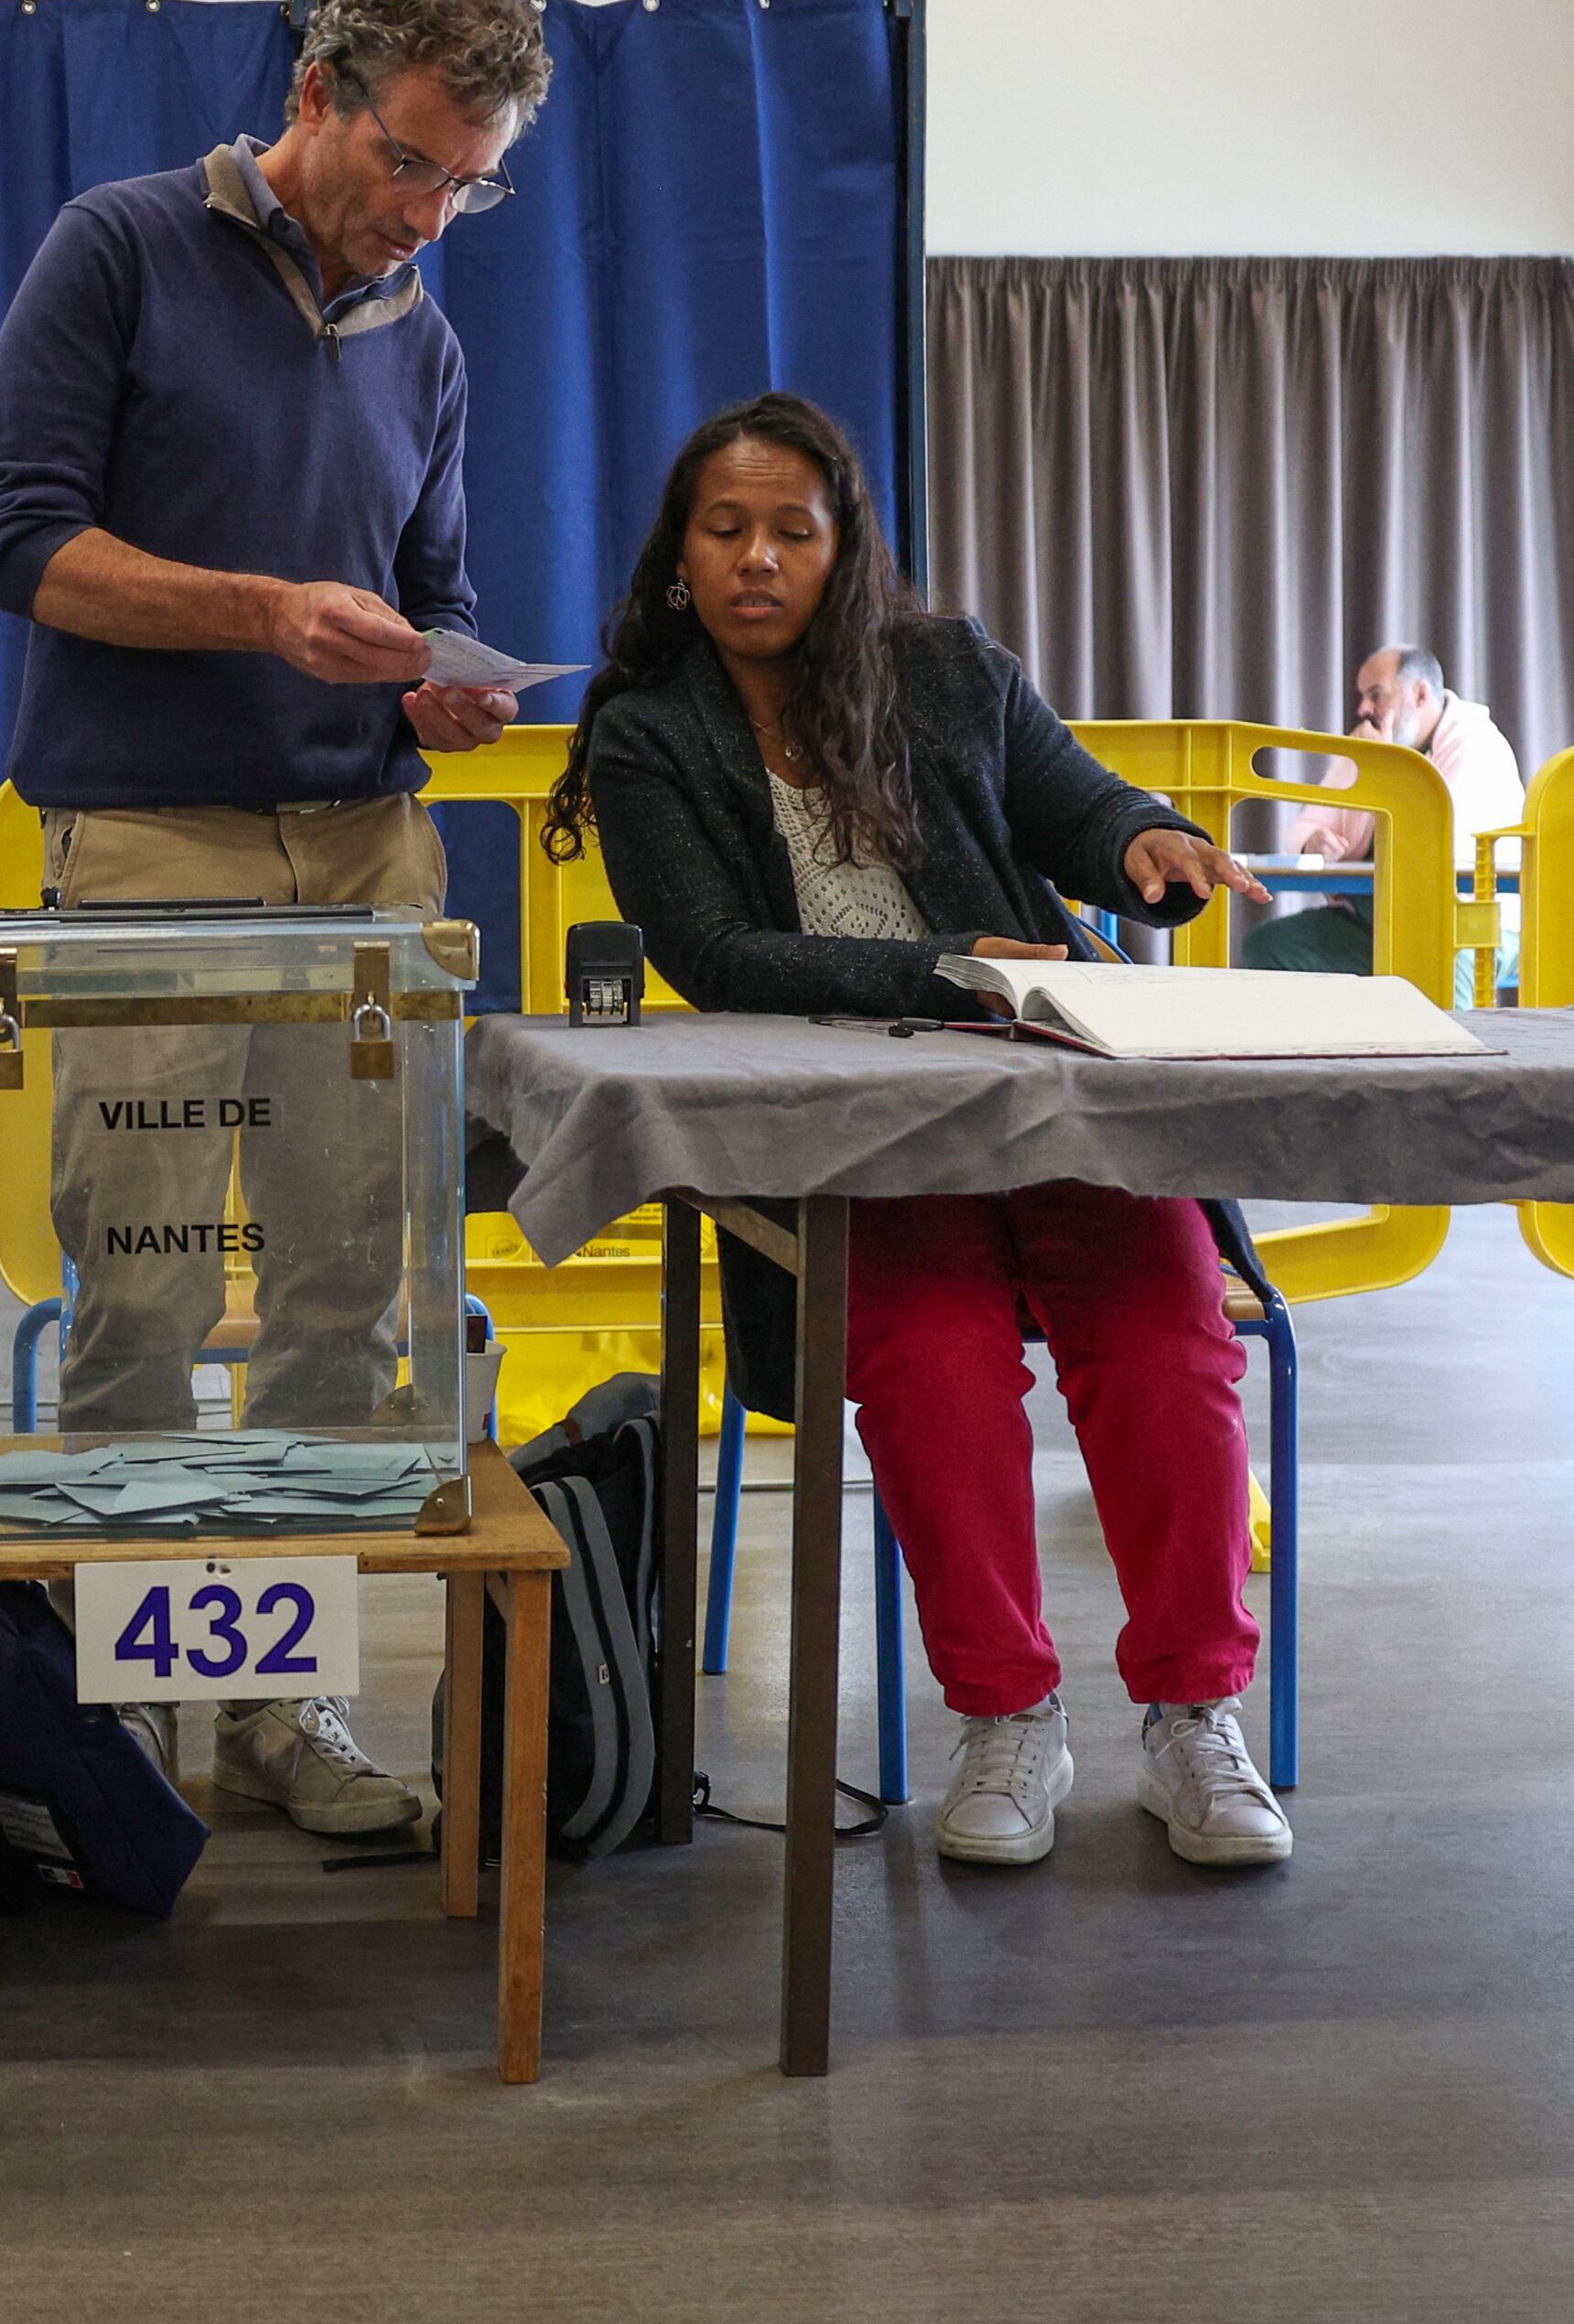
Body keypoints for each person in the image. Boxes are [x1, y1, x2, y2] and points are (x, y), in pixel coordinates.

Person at [539, 392, 1298, 1872]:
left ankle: (1195, 1711)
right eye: (726, 528)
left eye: (793, 531)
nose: (758, 559)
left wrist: (1144, 845)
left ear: (845, 549)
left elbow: (1080, 807)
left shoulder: (945, 669)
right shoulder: (646, 734)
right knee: (931, 1361)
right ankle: (1008, 1712)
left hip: (1050, 1087)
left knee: (1166, 1334)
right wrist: (953, 965)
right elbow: (716, 951)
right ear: (679, 555)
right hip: (850, 1133)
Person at [0, 0, 545, 1838]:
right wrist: (265, 613)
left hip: (367, 847)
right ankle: (136, 1720)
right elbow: (21, 541)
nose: (426, 216)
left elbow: (429, 579)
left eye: (468, 186)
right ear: (315, 88)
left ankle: (280, 1700)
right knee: (137, 1286)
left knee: (338, 1295)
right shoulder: (117, 246)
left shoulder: (429, 341)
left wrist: (439, 679)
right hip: (148, 841)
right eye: (407, 166)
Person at [1238, 643, 1529, 973]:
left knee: (1441, 960)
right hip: (1375, 920)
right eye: (1362, 696)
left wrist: (1382, 769)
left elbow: (1437, 849)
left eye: (1376, 695)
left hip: (1464, 922)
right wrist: (1314, 841)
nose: (1363, 709)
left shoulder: (1477, 744)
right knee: (1269, 945)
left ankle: (1437, 1028)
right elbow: (1301, 830)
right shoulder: (1368, 745)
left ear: (1420, 694)